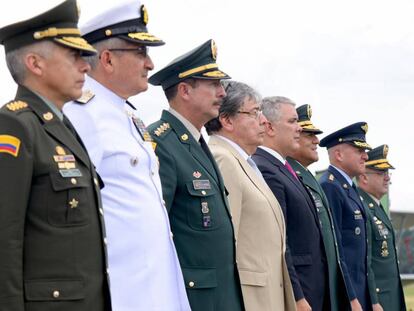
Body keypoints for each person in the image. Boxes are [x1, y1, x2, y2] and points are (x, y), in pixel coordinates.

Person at [63, 1, 190, 310]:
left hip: (155, 288)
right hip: (123, 293)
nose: (149, 64)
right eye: (141, 53)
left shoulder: (127, 115)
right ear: (107, 59)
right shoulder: (82, 114)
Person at [0, 1, 110, 310]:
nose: (86, 66)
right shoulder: (15, 126)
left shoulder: (61, 126)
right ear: (35, 64)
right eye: (74, 56)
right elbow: (4, 239)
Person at [147, 39, 244, 311]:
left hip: (222, 296)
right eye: (213, 85)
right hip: (193, 300)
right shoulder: (161, 144)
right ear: (185, 90)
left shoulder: (196, 143)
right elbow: (156, 233)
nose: (223, 93)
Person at [205, 81, 296, 311]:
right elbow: (225, 242)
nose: (263, 120)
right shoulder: (223, 159)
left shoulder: (244, 162)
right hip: (249, 299)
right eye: (254, 113)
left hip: (265, 296)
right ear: (227, 120)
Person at [252, 97, 328, 311]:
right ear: (270, 127)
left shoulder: (283, 167)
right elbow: (280, 241)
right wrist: (296, 296)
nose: (299, 128)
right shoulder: (265, 168)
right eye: (293, 122)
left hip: (311, 288)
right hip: (300, 293)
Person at [287, 104, 352, 310]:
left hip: (325, 290)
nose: (317, 141)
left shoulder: (309, 178)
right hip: (307, 291)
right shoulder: (289, 176)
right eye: (309, 134)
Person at [319, 122, 382, 311]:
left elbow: (363, 257)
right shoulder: (330, 187)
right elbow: (336, 250)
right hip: (347, 297)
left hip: (360, 293)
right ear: (338, 155)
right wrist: (350, 297)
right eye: (358, 150)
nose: (365, 155)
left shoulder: (348, 187)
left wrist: (372, 299)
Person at [357, 145, 406, 311]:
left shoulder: (377, 208)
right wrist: (373, 300)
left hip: (390, 297)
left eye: (387, 173)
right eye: (380, 173)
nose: (387, 178)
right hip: (378, 301)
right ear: (363, 177)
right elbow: (365, 261)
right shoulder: (363, 208)